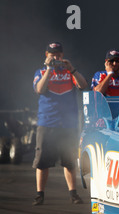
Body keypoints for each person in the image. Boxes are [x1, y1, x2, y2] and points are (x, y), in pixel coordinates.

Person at [32, 42, 88, 205]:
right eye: (52, 54)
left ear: (62, 55)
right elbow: (40, 90)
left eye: (58, 54)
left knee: (69, 161)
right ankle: (39, 194)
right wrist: (49, 69)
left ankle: (73, 193)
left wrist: (72, 69)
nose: (55, 57)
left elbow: (83, 85)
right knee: (42, 161)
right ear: (46, 55)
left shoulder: (69, 71)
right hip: (47, 122)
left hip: (68, 124)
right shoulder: (41, 71)